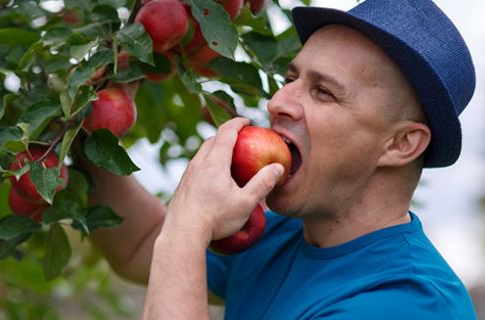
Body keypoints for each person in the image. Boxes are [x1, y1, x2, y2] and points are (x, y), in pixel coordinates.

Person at [88, 0, 478, 318]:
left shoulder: (407, 304)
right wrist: (88, 135)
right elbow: (139, 246)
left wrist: (187, 228)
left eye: (324, 92)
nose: (277, 103)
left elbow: (170, 247)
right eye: (291, 79)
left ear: (401, 143)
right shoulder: (277, 237)